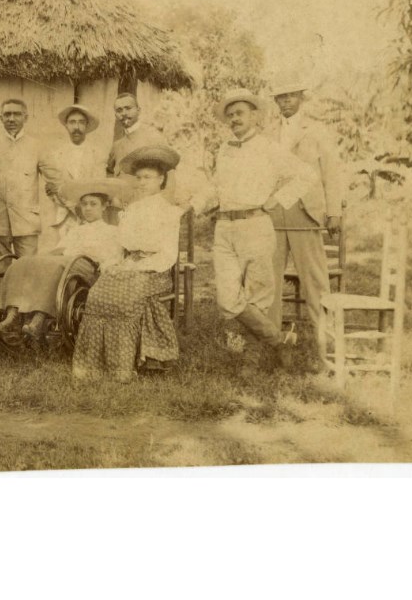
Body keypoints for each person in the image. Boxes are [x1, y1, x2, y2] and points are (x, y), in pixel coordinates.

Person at [202, 89, 316, 374]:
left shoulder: (269, 147)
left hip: (255, 224)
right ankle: (279, 341)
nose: (234, 119)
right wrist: (195, 203)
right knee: (228, 300)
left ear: (254, 115)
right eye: (229, 115)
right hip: (224, 227)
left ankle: (250, 362)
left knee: (258, 296)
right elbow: (216, 187)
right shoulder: (225, 148)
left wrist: (277, 199)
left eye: (239, 113)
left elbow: (307, 175)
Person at [72, 147, 186, 382]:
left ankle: (123, 366)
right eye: (139, 178)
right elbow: (120, 247)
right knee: (97, 293)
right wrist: (113, 263)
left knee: (126, 295)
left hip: (156, 270)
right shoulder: (131, 210)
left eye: (148, 178)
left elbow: (168, 254)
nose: (142, 183)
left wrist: (140, 267)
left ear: (161, 179)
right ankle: (92, 364)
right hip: (128, 265)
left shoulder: (169, 212)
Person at [0, 178, 129, 345]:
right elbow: (59, 250)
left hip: (88, 269)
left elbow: (112, 259)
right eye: (84, 204)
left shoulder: (112, 231)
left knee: (57, 267)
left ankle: (39, 319)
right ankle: (11, 316)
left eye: (93, 204)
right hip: (66, 263)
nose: (88, 208)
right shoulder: (76, 230)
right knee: (24, 261)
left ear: (104, 206)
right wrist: (39, 259)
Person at [266, 76, 346, 343]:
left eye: (290, 95)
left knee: (315, 279)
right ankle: (271, 339)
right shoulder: (268, 130)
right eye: (280, 97)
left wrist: (334, 211)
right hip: (274, 212)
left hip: (305, 211)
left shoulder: (317, 130)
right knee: (269, 279)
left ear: (301, 97)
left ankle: (328, 340)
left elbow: (331, 173)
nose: (285, 101)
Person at [0, 98, 53, 262]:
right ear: (1, 118)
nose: (11, 119)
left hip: (26, 222)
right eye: (7, 114)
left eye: (17, 114)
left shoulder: (37, 146)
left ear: (25, 117)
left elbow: (54, 178)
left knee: (27, 271)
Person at [44, 104, 108, 244]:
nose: (76, 127)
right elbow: (53, 187)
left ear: (87, 125)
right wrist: (67, 203)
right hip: (63, 216)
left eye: (81, 122)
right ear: (66, 125)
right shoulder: (55, 155)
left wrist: (82, 208)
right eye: (72, 122)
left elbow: (98, 186)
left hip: (89, 214)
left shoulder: (97, 154)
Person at [105, 92, 178, 209]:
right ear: (115, 115)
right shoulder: (117, 146)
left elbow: (170, 176)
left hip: (149, 209)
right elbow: (109, 172)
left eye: (128, 108)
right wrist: (114, 198)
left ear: (139, 110)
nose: (123, 113)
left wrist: (164, 206)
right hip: (122, 210)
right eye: (119, 110)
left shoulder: (154, 137)